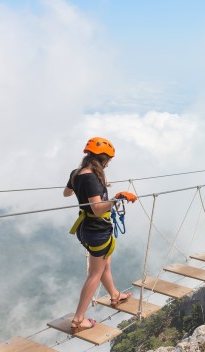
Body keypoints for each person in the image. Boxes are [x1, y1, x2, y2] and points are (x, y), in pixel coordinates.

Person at [63, 137, 137, 333]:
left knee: (105, 264)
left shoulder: (76, 173)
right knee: (95, 274)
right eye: (108, 160)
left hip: (84, 227)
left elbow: (66, 193)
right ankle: (78, 319)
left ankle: (114, 295)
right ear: (102, 159)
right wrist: (116, 198)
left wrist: (83, 189)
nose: (109, 163)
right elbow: (97, 208)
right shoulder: (91, 178)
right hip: (97, 229)